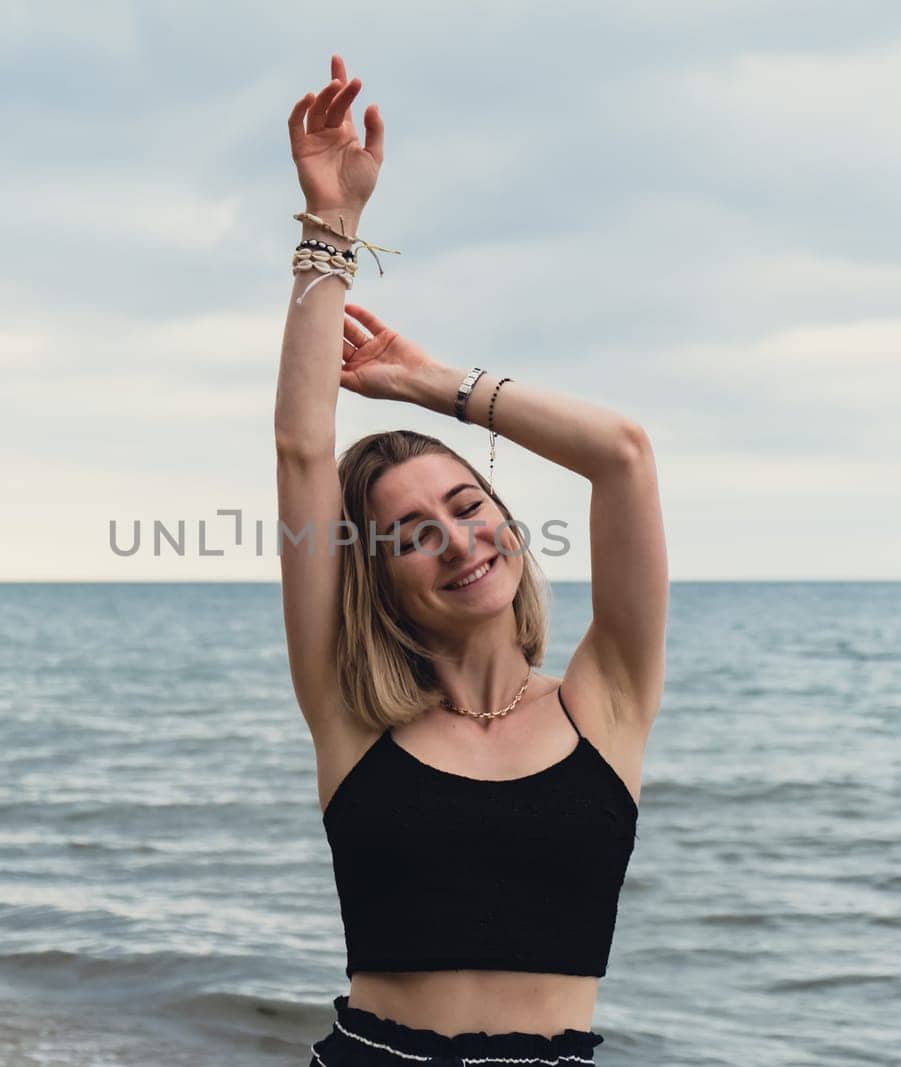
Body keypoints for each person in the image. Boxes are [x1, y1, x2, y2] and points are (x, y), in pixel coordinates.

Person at [278, 54, 668, 1065]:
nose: (455, 540)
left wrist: (426, 381)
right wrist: (330, 231)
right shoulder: (349, 712)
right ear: (377, 574)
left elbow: (620, 455)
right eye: (411, 533)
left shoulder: (605, 699)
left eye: (466, 505)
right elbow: (302, 449)